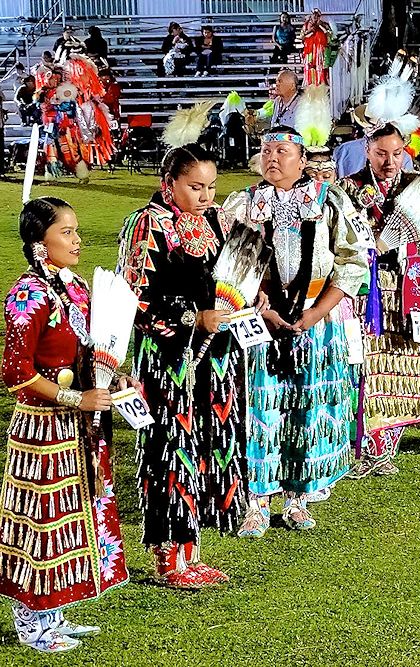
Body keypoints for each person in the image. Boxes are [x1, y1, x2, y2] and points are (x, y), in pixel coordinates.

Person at [222, 126, 370, 533]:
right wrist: (256, 302)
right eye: (266, 150)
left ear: (303, 160)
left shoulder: (330, 201)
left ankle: (298, 497)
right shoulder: (244, 203)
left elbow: (353, 261)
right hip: (258, 320)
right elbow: (229, 260)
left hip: (316, 318)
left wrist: (318, 312)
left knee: (308, 406)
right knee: (259, 408)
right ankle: (255, 499)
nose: (272, 157)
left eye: (282, 151)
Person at [1, 197, 129, 653]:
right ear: (40, 243)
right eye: (66, 233)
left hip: (79, 429)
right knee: (40, 523)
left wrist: (115, 376)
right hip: (43, 431)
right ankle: (29, 623)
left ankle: (52, 616)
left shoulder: (73, 287)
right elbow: (15, 371)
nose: (77, 241)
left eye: (77, 231)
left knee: (70, 522)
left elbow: (90, 344)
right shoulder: (28, 294)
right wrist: (77, 396)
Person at [117, 143, 246, 586]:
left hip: (217, 353)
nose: (206, 195)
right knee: (171, 450)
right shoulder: (147, 224)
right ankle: (168, 556)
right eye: (195, 187)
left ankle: (192, 552)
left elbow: (234, 279)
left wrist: (253, 297)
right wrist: (193, 317)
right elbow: (133, 302)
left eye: (212, 186)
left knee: (208, 447)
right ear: (167, 182)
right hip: (168, 357)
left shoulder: (218, 220)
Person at [340, 58, 420, 477]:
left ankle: (388, 446)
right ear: (366, 150)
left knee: (405, 360)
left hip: (413, 287)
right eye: (380, 153)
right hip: (365, 290)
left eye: (396, 153)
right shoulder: (349, 189)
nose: (389, 161)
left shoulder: (419, 188)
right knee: (368, 362)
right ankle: (365, 447)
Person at [301, 8, 332, 86]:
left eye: (317, 15)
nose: (315, 17)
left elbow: (329, 34)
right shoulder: (306, 25)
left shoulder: (323, 24)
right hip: (309, 49)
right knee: (309, 64)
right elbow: (302, 36)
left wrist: (320, 26)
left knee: (320, 64)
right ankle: (310, 81)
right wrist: (309, 31)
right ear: (311, 15)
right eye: (314, 15)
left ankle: (321, 81)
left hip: (319, 49)